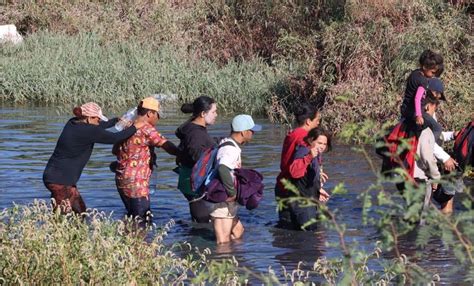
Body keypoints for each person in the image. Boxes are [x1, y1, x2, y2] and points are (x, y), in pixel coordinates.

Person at [43, 102, 142, 214]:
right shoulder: (89, 131)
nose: (99, 121)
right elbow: (114, 138)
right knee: (62, 218)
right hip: (60, 181)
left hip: (57, 177)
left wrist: (115, 121)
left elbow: (99, 126)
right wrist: (135, 127)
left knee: (80, 213)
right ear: (89, 118)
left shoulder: (73, 122)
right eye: (98, 119)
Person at [114, 97, 179, 227]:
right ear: (150, 113)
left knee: (132, 216)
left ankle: (127, 243)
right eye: (157, 115)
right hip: (137, 182)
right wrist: (183, 153)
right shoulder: (146, 128)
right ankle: (141, 245)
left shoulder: (127, 127)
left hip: (122, 178)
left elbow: (115, 150)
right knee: (142, 221)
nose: (158, 118)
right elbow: (166, 145)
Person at [206, 114, 261, 244]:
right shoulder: (230, 149)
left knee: (238, 231)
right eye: (251, 130)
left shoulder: (229, 145)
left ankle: (234, 261)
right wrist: (232, 192)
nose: (253, 133)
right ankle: (221, 261)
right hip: (222, 200)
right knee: (223, 241)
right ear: (243, 132)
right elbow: (223, 168)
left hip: (226, 200)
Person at [274, 103, 325, 227]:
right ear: (308, 121)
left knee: (285, 228)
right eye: (317, 120)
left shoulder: (292, 134)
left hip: (282, 186)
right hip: (294, 189)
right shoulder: (304, 138)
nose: (319, 123)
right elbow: (302, 163)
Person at [175, 96, 218, 223]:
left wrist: (219, 141)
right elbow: (197, 156)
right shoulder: (195, 133)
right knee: (203, 222)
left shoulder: (193, 128)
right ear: (203, 113)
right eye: (214, 112)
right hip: (194, 183)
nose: (216, 115)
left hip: (188, 180)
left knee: (199, 219)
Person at [285, 127, 331, 231]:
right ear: (311, 140)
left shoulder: (315, 153)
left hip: (308, 200)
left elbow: (306, 176)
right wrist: (309, 157)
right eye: (319, 143)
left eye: (324, 144)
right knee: (308, 238)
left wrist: (318, 189)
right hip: (302, 204)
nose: (322, 147)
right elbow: (294, 172)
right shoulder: (304, 151)